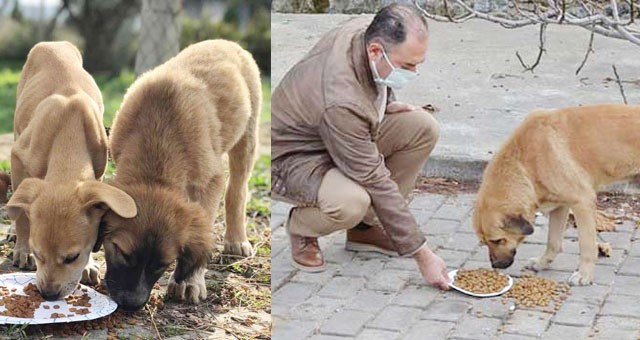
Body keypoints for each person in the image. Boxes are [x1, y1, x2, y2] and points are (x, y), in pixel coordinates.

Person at [271, 3, 450, 290]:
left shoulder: (367, 30)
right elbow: (375, 178)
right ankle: (302, 226)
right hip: (296, 156)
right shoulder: (340, 99)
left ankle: (364, 230)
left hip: (338, 129)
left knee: (422, 127)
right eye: (407, 66)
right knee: (351, 202)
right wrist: (422, 253)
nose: (414, 72)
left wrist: (387, 102)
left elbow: (376, 76)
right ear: (376, 51)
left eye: (418, 63)